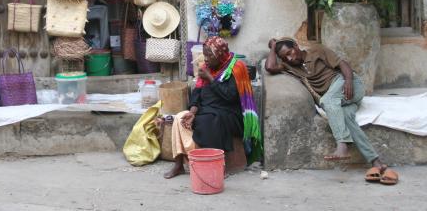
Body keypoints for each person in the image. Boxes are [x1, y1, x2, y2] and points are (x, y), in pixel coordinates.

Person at [265, 37, 398, 185]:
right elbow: (270, 67)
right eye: (285, 57)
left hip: (348, 85)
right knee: (347, 118)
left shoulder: (317, 51)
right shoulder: (289, 66)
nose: (290, 58)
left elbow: (343, 64)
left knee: (327, 101)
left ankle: (342, 145)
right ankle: (377, 163)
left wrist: (348, 81)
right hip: (339, 100)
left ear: (296, 45)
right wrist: (273, 47)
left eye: (290, 52)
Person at [164, 37, 262, 179]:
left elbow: (229, 96)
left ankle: (217, 165)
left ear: (220, 55)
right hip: (206, 110)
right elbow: (196, 94)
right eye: (205, 55)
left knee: (209, 121)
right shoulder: (206, 68)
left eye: (210, 55)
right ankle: (179, 164)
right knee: (180, 118)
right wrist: (192, 112)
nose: (206, 59)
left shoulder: (236, 68)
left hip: (229, 114)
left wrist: (210, 78)